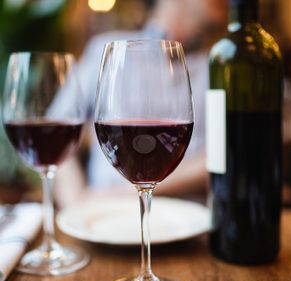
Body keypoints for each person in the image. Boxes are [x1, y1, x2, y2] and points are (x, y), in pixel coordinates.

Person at [55, 0, 228, 207]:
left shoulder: (220, 65)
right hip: (103, 217)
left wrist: (125, 193)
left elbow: (228, 153)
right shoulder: (107, 50)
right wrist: (76, 202)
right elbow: (57, 130)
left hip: (188, 220)